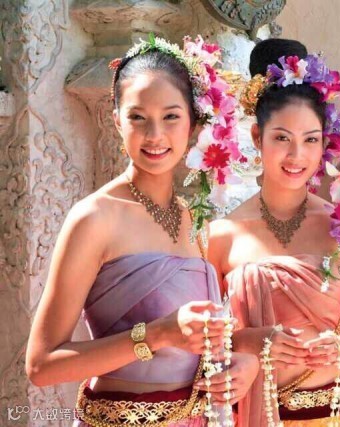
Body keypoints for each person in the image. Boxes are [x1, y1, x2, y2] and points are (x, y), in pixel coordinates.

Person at [25, 35, 259, 426]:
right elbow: (41, 365)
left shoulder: (196, 219)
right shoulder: (95, 218)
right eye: (137, 117)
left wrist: (244, 363)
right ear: (116, 119)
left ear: (194, 122)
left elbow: (211, 337)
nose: (155, 135)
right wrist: (155, 335)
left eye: (171, 117)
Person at [208, 48, 340, 426]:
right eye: (282, 138)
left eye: (310, 140)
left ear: (324, 144)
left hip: (333, 416)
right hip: (254, 414)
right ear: (257, 136)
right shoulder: (221, 236)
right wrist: (251, 341)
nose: (296, 155)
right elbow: (203, 343)